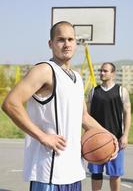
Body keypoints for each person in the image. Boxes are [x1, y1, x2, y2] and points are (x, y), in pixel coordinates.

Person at [2, 22, 117, 191]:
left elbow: (83, 117)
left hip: (73, 170)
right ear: (51, 43)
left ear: (76, 43)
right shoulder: (44, 70)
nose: (67, 44)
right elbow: (10, 103)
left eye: (70, 39)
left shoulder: (77, 78)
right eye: (60, 39)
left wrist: (108, 136)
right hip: (49, 170)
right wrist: (42, 136)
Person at [87, 62, 131, 191]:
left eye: (105, 71)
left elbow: (128, 114)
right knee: (95, 174)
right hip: (96, 140)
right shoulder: (93, 91)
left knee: (115, 174)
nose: (101, 73)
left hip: (116, 140)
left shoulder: (121, 91)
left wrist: (125, 135)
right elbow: (87, 116)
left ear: (113, 73)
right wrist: (85, 135)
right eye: (101, 70)